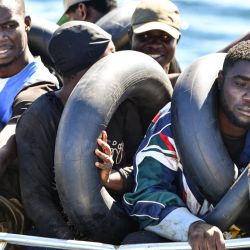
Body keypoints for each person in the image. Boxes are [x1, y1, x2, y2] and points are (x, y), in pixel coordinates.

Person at [16, 21, 143, 239]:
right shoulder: (40, 118)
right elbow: (36, 198)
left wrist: (110, 176)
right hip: (63, 234)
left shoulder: (124, 108)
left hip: (120, 222)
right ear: (92, 69)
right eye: (111, 58)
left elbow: (144, 170)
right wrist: (68, 242)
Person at [123, 41, 250, 249]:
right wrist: (191, 226)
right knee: (136, 243)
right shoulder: (175, 123)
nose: (249, 97)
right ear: (220, 81)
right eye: (240, 84)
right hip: (186, 241)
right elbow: (144, 196)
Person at [0, 0, 58, 234]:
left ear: (26, 24)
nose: (2, 36)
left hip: (14, 204)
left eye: (9, 26)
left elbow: (6, 145)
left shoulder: (38, 87)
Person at [128, 0, 182, 87]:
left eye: (165, 37)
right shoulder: (113, 74)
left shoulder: (186, 82)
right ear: (130, 36)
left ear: (177, 40)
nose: (155, 45)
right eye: (145, 36)